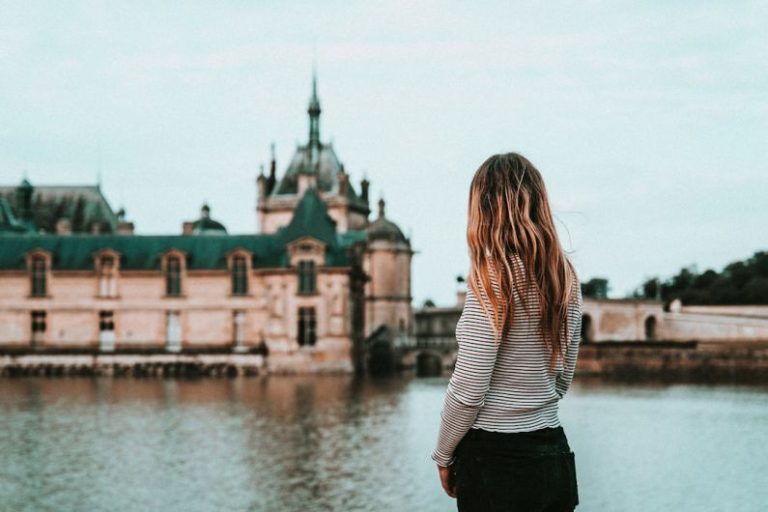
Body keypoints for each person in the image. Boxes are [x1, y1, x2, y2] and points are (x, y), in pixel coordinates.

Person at [431, 152, 583, 511]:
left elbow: (468, 391)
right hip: (552, 453)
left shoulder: (492, 279)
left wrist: (443, 454)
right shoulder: (567, 279)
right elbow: (562, 380)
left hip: (496, 461)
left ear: (482, 210)